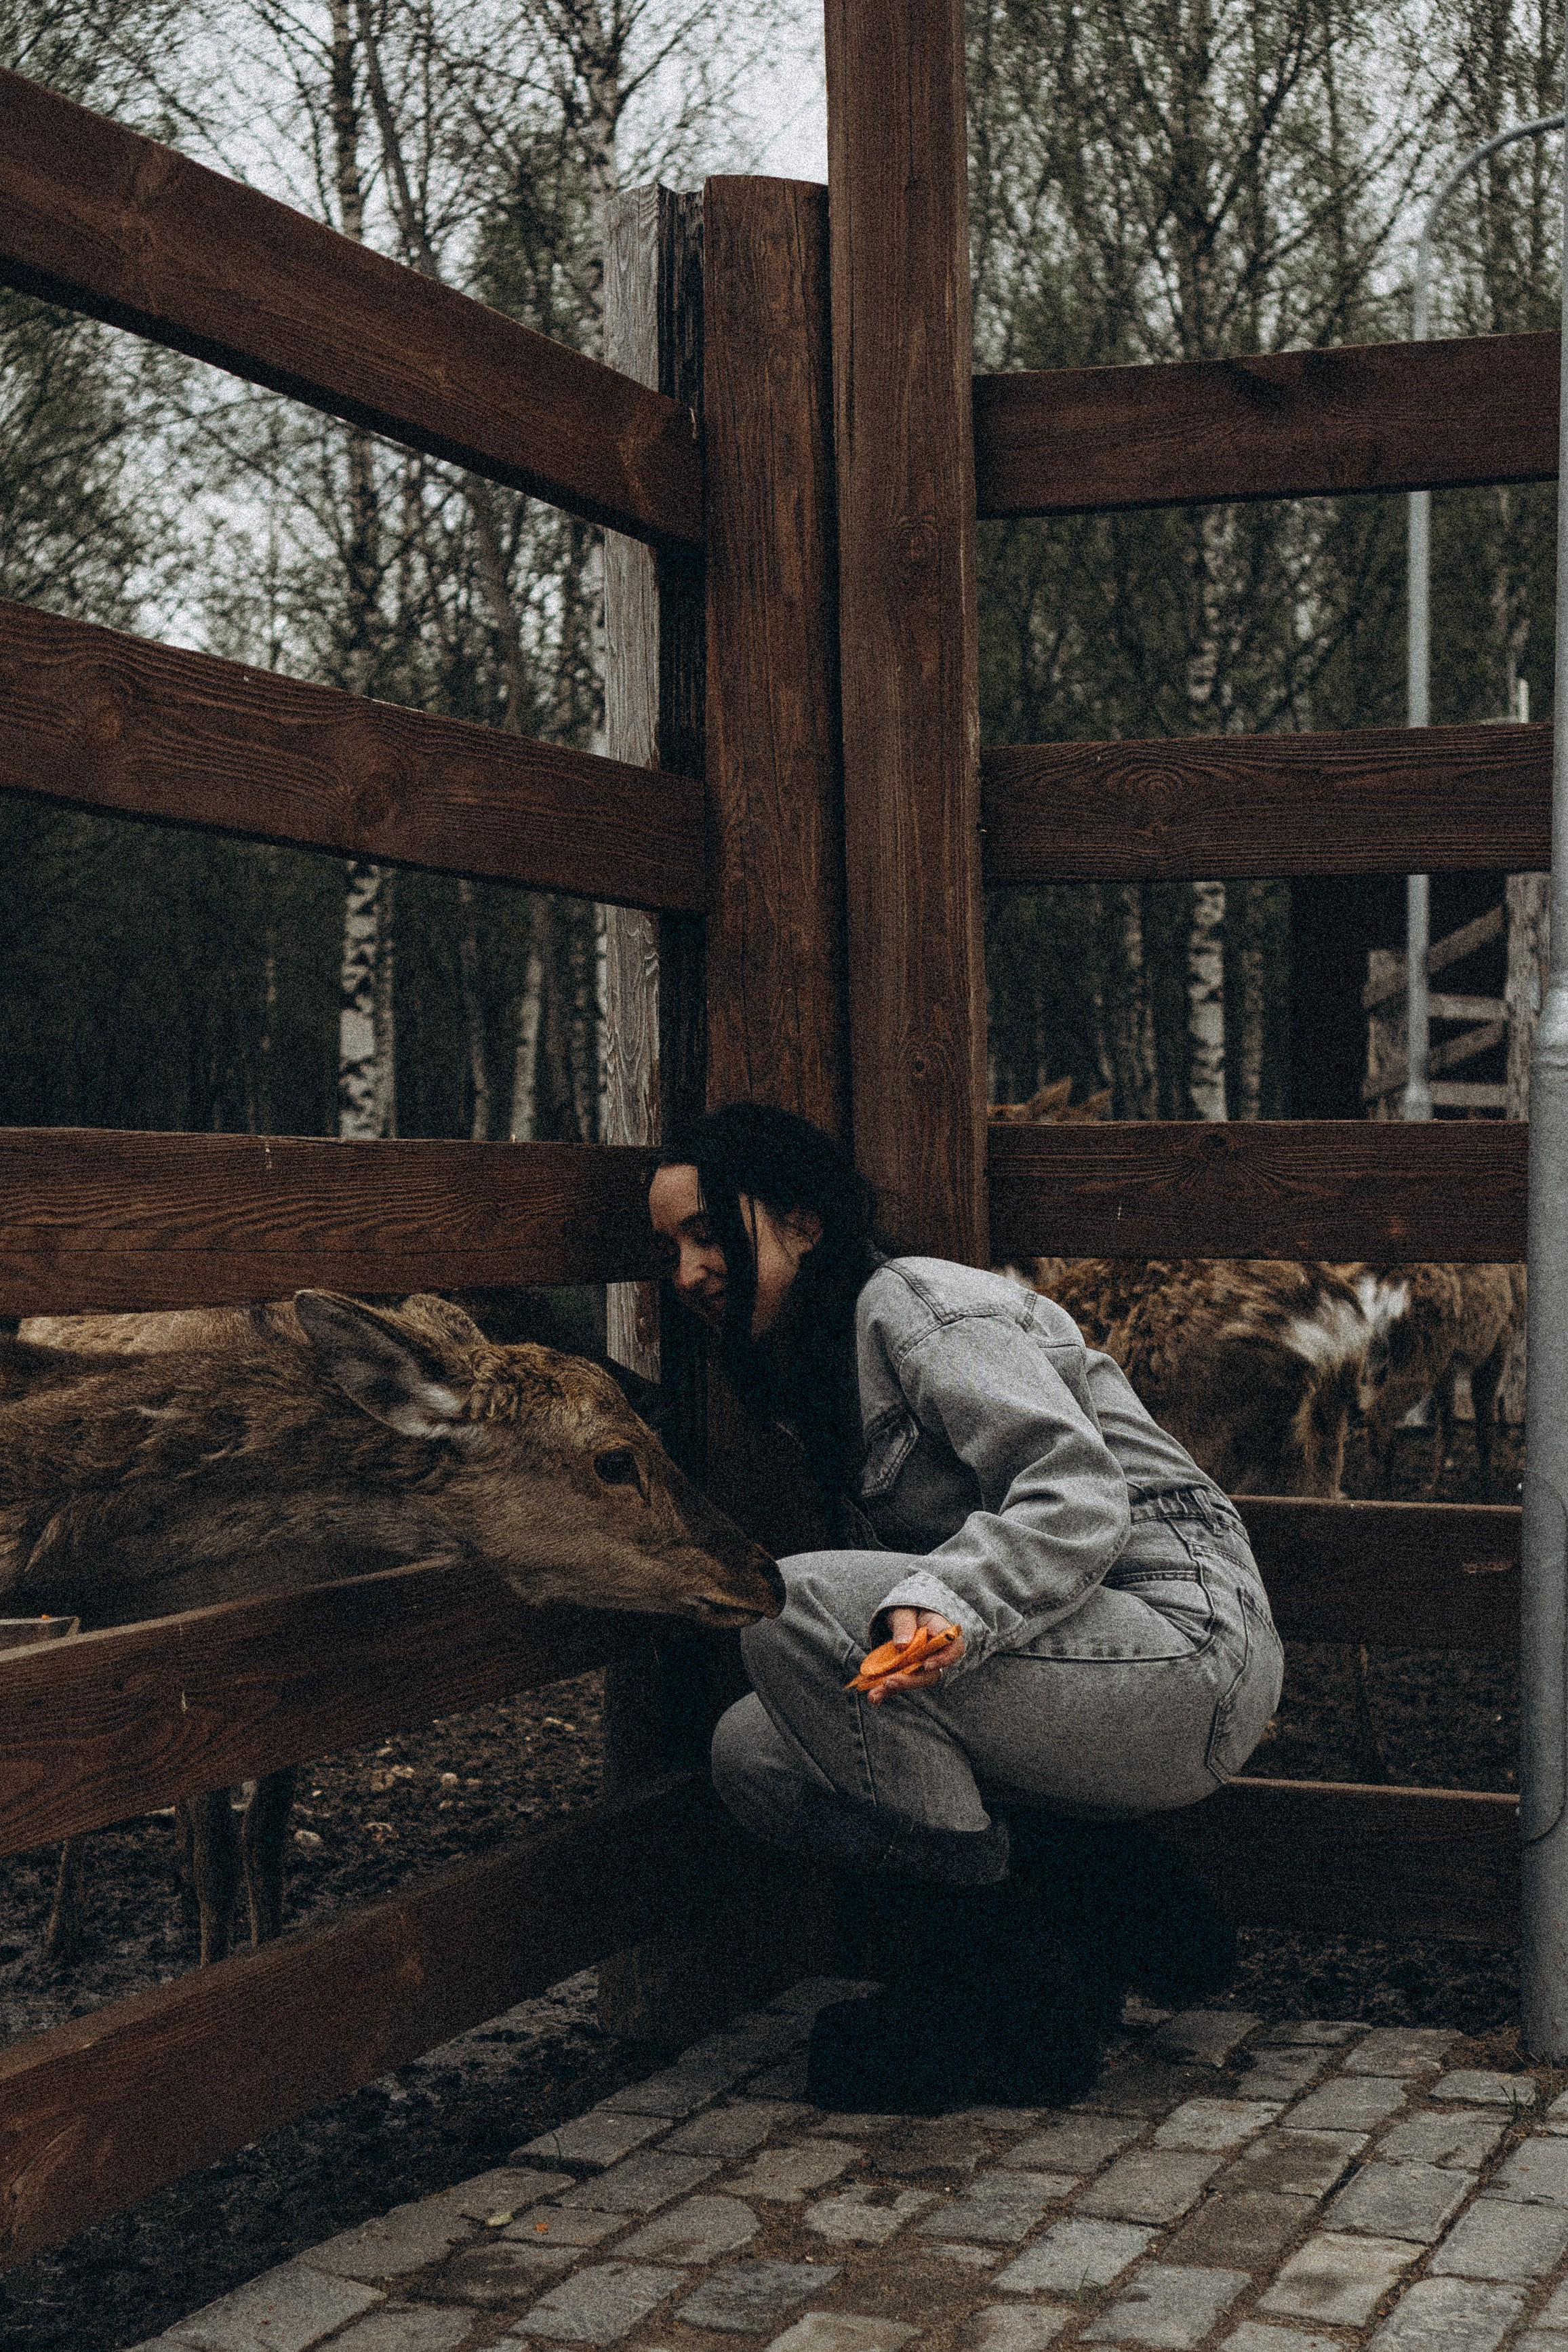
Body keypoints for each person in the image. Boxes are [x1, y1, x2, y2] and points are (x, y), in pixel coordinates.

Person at [648, 1103, 1285, 2112]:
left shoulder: (917, 1305)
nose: (687, 1272)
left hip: (1179, 1644)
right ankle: (1085, 1900)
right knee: (754, 1752)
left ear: (804, 1221)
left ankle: (1001, 2006)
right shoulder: (809, 1367)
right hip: (1070, 1673)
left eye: (710, 1231)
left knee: (784, 1606)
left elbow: (1073, 1494)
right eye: (670, 1248)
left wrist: (937, 1601)